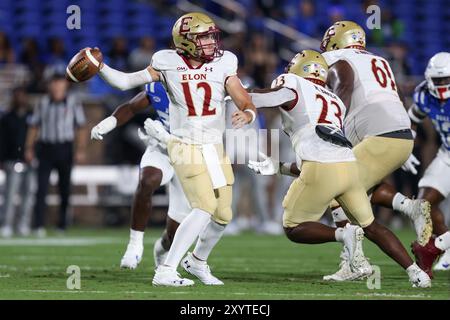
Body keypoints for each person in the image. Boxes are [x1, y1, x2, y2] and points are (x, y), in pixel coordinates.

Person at [84, 12, 257, 286]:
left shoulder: (225, 62)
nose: (211, 42)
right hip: (184, 145)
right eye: (204, 37)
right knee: (203, 207)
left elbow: (242, 97)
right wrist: (101, 67)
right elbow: (126, 82)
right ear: (186, 41)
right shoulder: (167, 62)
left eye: (212, 36)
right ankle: (165, 270)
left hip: (214, 146)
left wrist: (248, 113)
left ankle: (197, 262)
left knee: (224, 214)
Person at [247, 50, 431, 287]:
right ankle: (417, 274)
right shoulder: (333, 99)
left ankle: (343, 234)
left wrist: (236, 93)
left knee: (293, 227)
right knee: (372, 227)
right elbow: (324, 157)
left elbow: (266, 98)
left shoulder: (293, 83)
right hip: (348, 167)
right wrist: (280, 167)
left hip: (320, 167)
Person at [319, 21, 432, 280]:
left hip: (373, 128)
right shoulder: (378, 60)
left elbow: (343, 88)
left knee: (335, 188)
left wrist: (332, 127)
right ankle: (408, 207)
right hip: (400, 130)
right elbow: (399, 99)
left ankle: (353, 262)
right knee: (360, 189)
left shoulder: (339, 58)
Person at [25, 68, 87, 236]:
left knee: (65, 188)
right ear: (49, 85)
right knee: (41, 188)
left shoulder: (73, 102)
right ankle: (38, 225)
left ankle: (62, 225)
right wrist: (29, 148)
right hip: (45, 148)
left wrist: (80, 149)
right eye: (54, 82)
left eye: (60, 82)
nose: (57, 86)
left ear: (65, 85)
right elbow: (34, 126)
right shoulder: (42, 103)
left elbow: (80, 127)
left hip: (65, 147)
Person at [407, 52, 450, 276]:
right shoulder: (424, 95)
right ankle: (443, 246)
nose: (442, 84)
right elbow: (412, 118)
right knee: (423, 204)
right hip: (447, 155)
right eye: (438, 80)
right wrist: (406, 148)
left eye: (446, 79)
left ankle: (437, 248)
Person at [0, 87, 35, 237]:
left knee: (29, 194)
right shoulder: (6, 117)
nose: (20, 99)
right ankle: (6, 224)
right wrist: (2, 159)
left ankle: (23, 224)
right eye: (17, 96)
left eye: (23, 96)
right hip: (11, 159)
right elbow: (2, 140)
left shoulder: (32, 117)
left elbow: (37, 137)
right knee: (10, 194)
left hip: (30, 161)